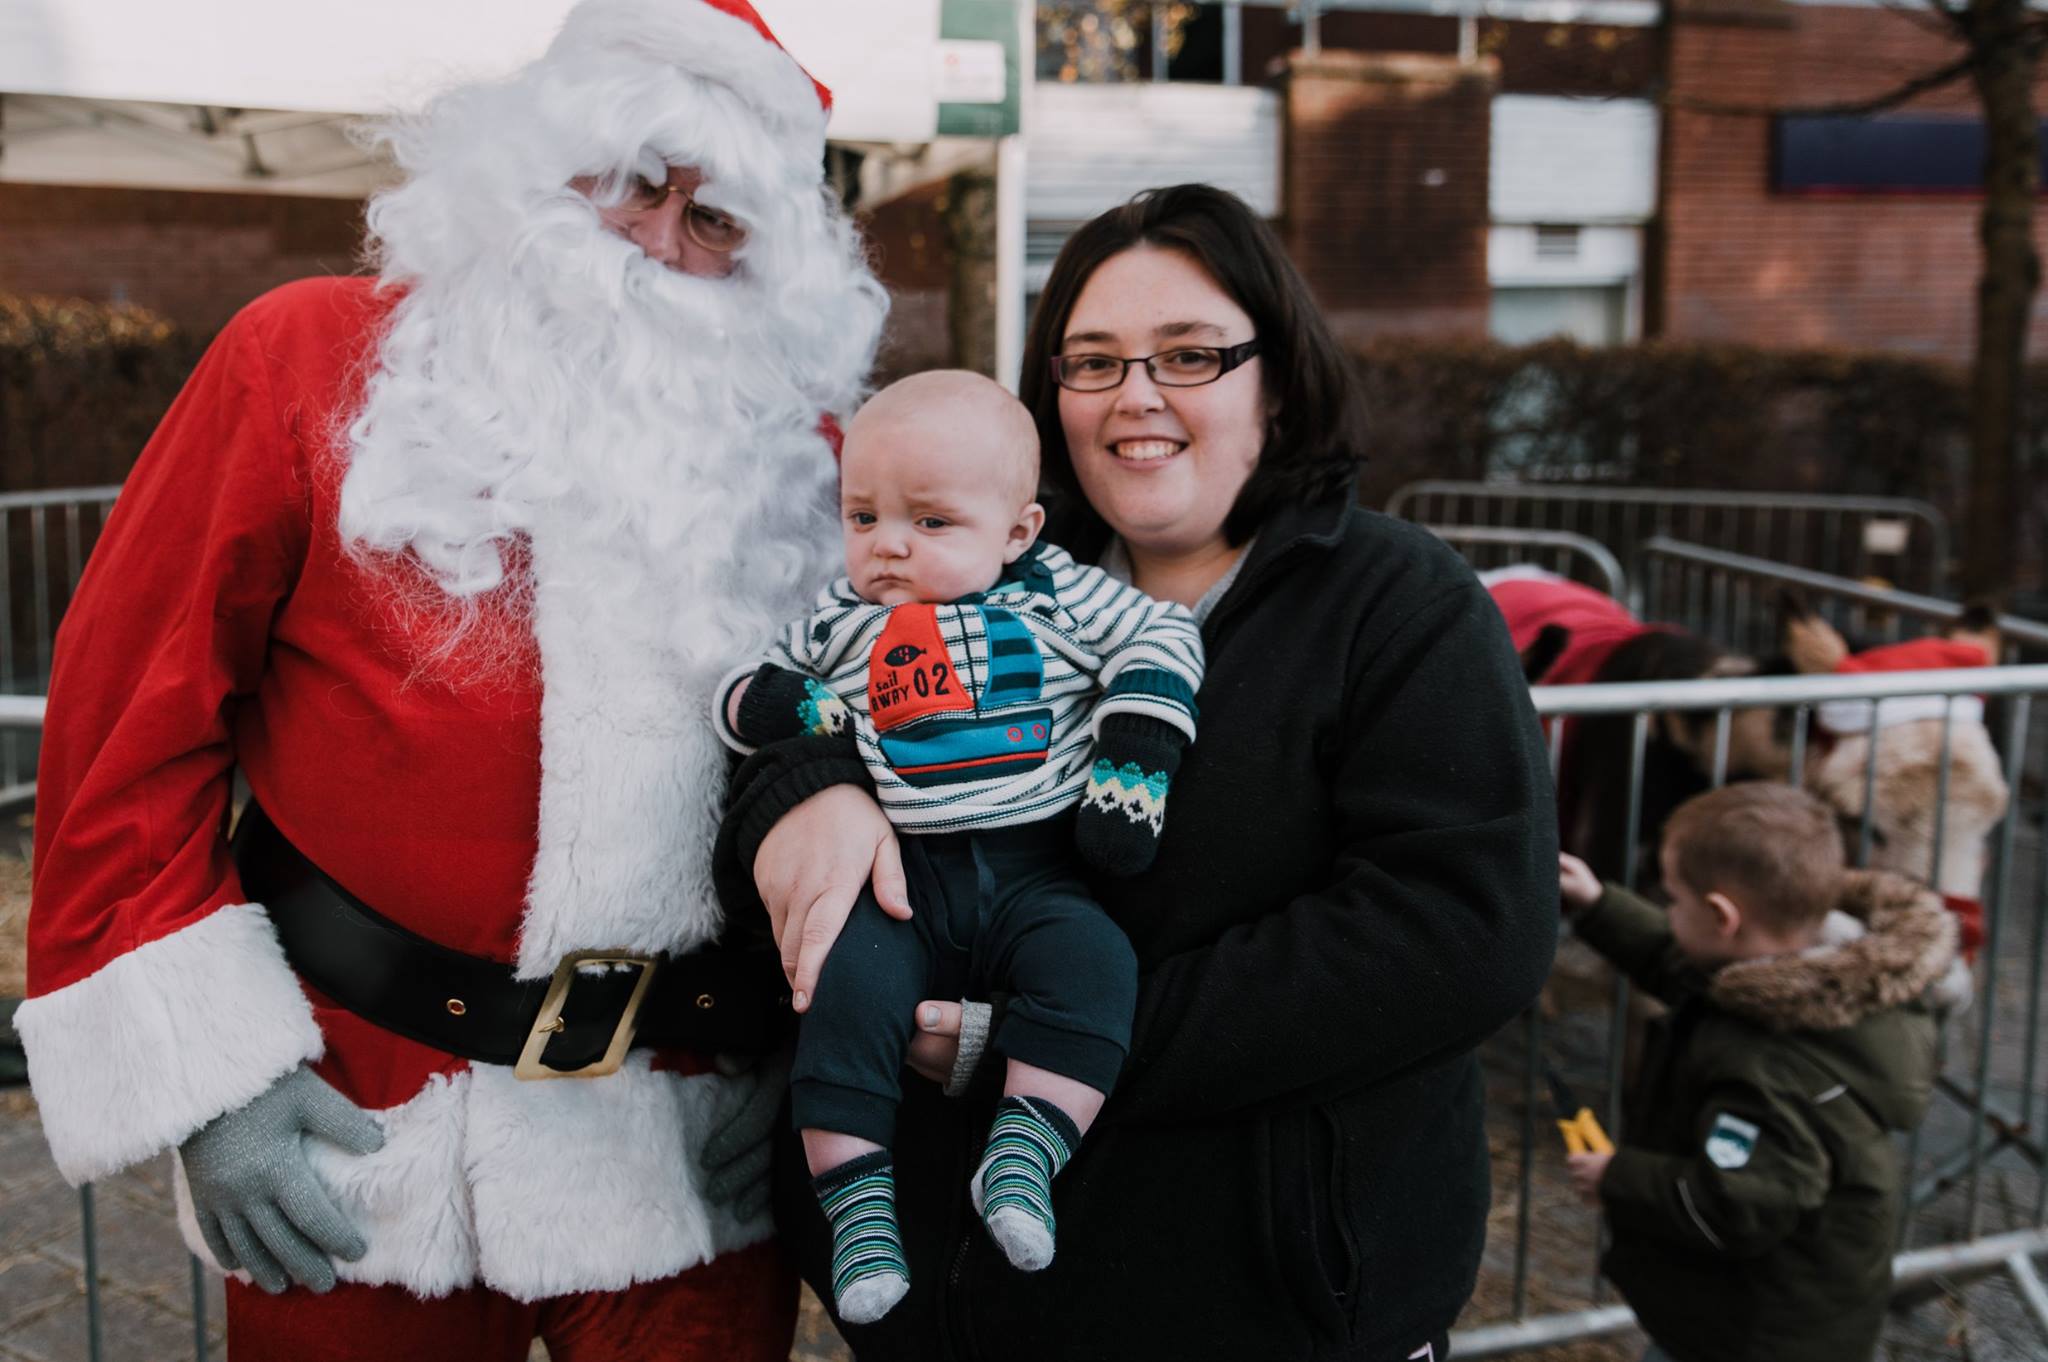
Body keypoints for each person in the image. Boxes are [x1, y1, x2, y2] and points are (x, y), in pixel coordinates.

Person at [15, 1, 885, 1358]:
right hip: (362, 1134)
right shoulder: (304, 359)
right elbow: (132, 722)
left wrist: (819, 1075)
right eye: (633, 183)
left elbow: (884, 760)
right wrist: (214, 1084)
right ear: (538, 165)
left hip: (690, 1147)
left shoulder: (808, 454)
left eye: (716, 224)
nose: (658, 245)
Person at [716, 184, 1559, 1361]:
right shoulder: (966, 571)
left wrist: (1038, 1041)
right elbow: (790, 720)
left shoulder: (1395, 606)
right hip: (945, 1321)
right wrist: (805, 794)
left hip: (1259, 1315)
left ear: (1275, 373)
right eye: (1092, 361)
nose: (1136, 397)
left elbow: (1461, 934)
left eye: (1190, 354)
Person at [715, 370, 1203, 1322]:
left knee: (1094, 968)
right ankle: (859, 1212)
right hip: (902, 880)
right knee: (843, 997)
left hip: (1038, 870)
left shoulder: (1057, 595)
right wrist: (791, 709)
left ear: (1017, 531)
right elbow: (742, 689)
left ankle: (1025, 1156)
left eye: (931, 524)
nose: (889, 545)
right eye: (863, 517)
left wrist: (1136, 748)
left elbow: (1164, 638)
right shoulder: (841, 614)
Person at [1559, 782, 1968, 1362]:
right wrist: (1597, 904)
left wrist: (1618, 1177)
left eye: (1674, 900)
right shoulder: (1807, 976)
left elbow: (1739, 1204)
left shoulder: (1772, 1066)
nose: (1670, 913)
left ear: (1724, 917)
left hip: (1757, 1334)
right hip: (1758, 1312)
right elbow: (1679, 963)